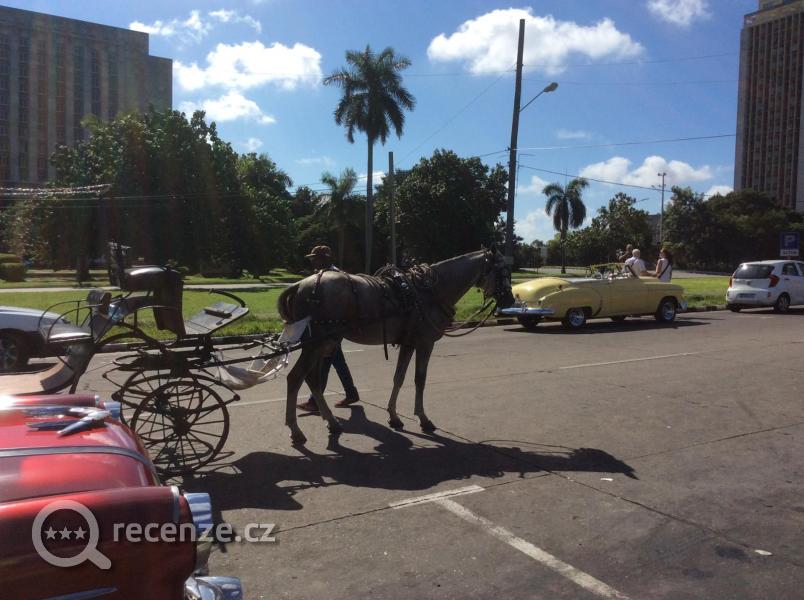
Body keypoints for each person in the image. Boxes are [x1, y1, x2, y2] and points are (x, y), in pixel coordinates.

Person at [297, 245, 360, 413]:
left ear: (325, 259)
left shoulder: (335, 277)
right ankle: (351, 393)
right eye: (312, 258)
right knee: (338, 361)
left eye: (315, 258)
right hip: (328, 326)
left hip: (334, 327)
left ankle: (315, 402)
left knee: (324, 362)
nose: (313, 261)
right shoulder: (323, 275)